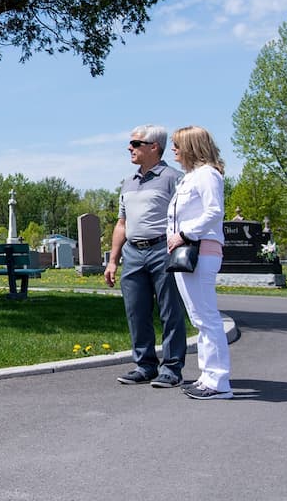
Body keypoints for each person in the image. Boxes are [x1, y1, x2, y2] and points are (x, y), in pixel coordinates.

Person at [104, 124, 187, 388]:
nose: (130, 147)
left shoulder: (174, 178)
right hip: (133, 253)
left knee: (170, 311)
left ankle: (172, 369)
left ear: (154, 147)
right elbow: (121, 223)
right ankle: (145, 366)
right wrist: (113, 259)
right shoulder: (128, 182)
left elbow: (186, 216)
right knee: (136, 312)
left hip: (163, 250)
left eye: (136, 143)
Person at [167, 125, 233, 400]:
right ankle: (207, 377)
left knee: (207, 318)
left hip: (200, 251)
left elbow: (214, 212)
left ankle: (218, 382)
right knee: (199, 318)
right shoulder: (190, 178)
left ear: (191, 147)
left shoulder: (207, 175)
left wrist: (184, 233)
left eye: (177, 145)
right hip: (188, 251)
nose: (174, 150)